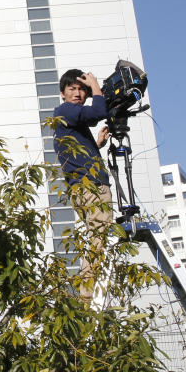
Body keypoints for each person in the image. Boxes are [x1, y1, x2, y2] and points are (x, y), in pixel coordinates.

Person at [52, 69, 113, 300]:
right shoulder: (66, 110)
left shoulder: (69, 119)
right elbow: (99, 111)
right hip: (92, 187)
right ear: (63, 93)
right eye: (72, 89)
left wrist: (95, 144)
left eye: (82, 89)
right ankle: (86, 297)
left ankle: (86, 292)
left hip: (82, 187)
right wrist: (96, 85)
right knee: (98, 238)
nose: (78, 93)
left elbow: (76, 155)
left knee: (96, 236)